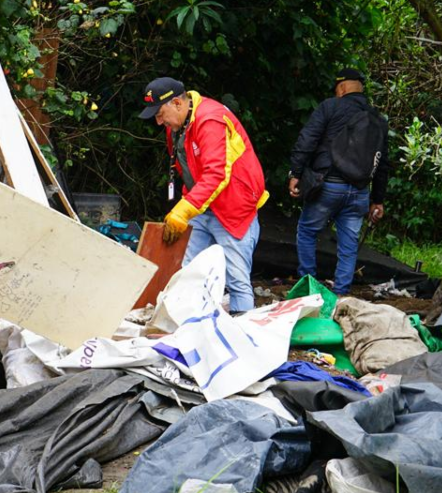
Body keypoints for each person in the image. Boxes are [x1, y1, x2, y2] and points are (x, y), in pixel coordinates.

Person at [140, 77, 268, 313]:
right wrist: (187, 206)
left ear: (178, 103)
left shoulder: (210, 119)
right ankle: (187, 326)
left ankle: (242, 335)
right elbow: (188, 170)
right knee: (185, 271)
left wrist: (183, 210)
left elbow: (216, 174)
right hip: (202, 206)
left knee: (237, 280)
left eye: (160, 113)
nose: (159, 122)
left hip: (234, 207)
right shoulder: (176, 126)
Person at [288, 68, 389, 295]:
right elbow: (382, 163)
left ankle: (309, 289)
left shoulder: (330, 107)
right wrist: (378, 200)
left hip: (327, 186)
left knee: (306, 231)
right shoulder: (378, 120)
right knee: (348, 246)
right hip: (359, 192)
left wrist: (295, 173)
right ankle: (341, 293)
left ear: (342, 87)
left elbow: (307, 139)